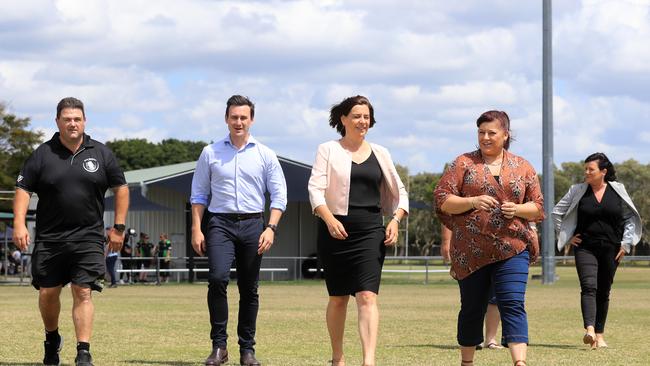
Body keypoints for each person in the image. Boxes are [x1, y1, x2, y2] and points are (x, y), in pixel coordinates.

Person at [12, 97, 129, 366]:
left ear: (84, 121)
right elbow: (22, 189)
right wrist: (19, 223)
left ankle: (83, 351)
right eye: (67, 119)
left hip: (88, 236)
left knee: (83, 291)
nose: (72, 124)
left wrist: (118, 227)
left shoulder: (101, 153)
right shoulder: (42, 154)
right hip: (50, 238)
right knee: (48, 293)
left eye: (77, 119)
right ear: (57, 122)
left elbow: (121, 189)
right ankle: (52, 338)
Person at [434, 110, 544, 366]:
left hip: (513, 247)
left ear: (505, 135)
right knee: (472, 308)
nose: (485, 137)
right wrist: (472, 201)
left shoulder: (523, 166)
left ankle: (520, 362)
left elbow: (538, 207)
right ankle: (467, 362)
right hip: (471, 250)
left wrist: (516, 209)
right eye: (481, 132)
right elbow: (443, 200)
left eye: (491, 132)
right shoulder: (462, 163)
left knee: (513, 302)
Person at [308, 95, 408, 366]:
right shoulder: (327, 150)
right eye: (356, 116)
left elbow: (400, 193)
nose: (362, 121)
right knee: (339, 298)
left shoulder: (381, 153)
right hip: (334, 231)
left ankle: (369, 361)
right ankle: (337, 358)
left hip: (370, 232)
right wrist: (329, 219)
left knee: (366, 296)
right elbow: (315, 190)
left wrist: (396, 220)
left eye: (366, 116)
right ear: (343, 119)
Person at [190, 95, 287, 366]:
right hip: (219, 223)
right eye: (234, 117)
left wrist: (271, 228)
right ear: (226, 119)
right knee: (218, 279)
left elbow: (279, 195)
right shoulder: (210, 153)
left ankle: (247, 349)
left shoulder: (265, 154)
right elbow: (198, 194)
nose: (239, 122)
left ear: (252, 120)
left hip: (254, 225)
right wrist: (197, 229)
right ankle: (219, 347)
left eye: (244, 117)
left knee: (249, 287)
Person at [552, 152, 642, 349]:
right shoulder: (577, 190)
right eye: (585, 169)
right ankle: (590, 329)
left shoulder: (618, 190)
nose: (586, 172)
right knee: (589, 286)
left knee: (604, 291)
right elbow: (556, 212)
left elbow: (629, 218)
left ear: (603, 171)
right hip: (585, 247)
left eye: (590, 169)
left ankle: (600, 336)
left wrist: (626, 244)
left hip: (612, 249)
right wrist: (567, 236)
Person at [441, 225, 503, 351]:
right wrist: (446, 241)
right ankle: (474, 339)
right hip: (467, 246)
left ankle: (491, 339)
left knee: (496, 294)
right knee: (472, 297)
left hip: (498, 246)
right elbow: (446, 213)